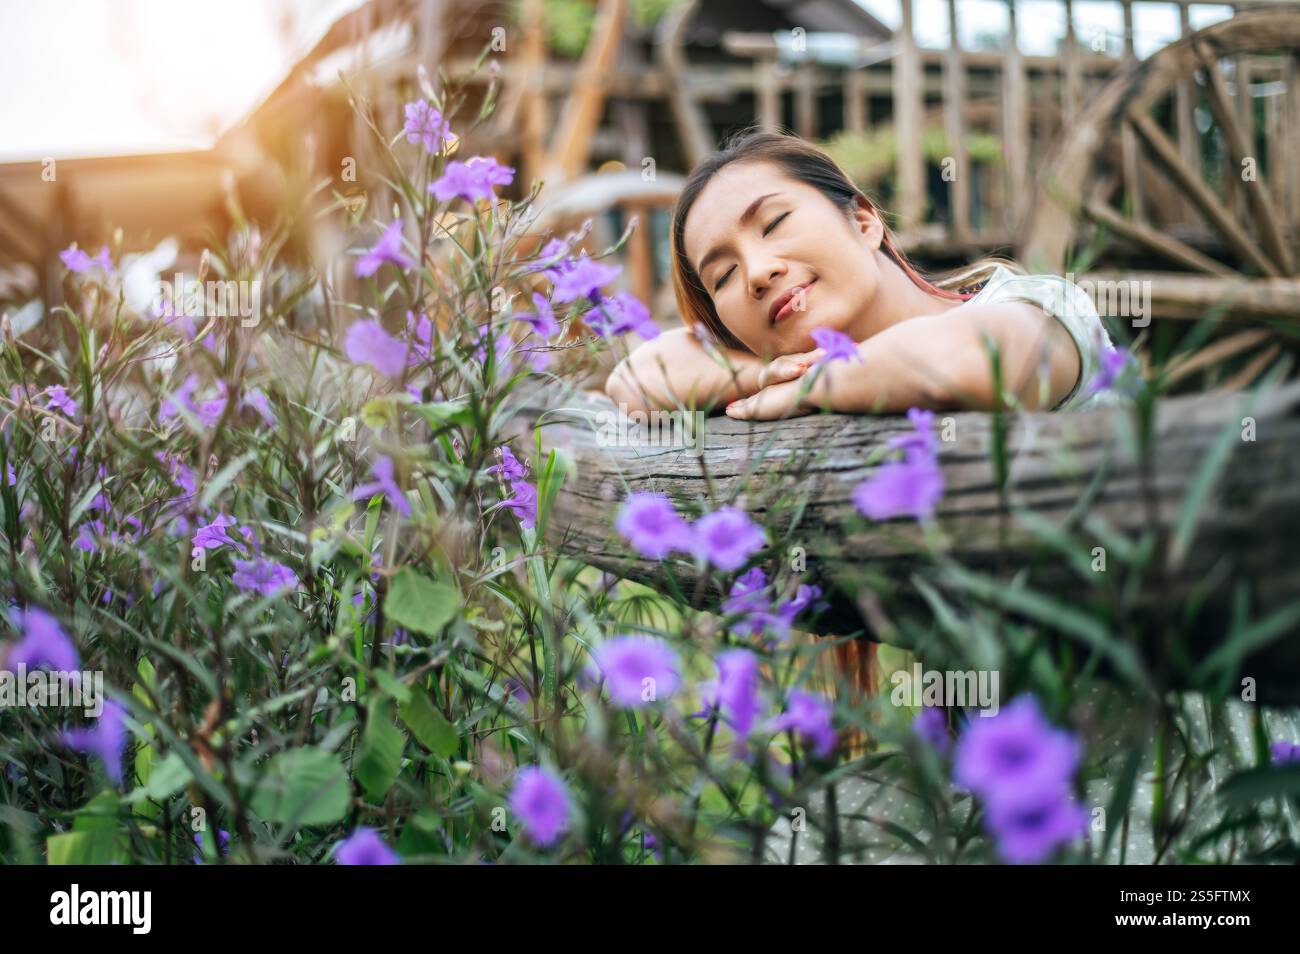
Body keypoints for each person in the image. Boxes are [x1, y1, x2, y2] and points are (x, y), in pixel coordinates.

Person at [605, 128, 1128, 421]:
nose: (758, 273)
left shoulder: (1039, 305)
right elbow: (634, 379)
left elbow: (976, 359)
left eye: (775, 222)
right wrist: (758, 376)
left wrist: (810, 385)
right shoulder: (787, 374)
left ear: (863, 220)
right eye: (722, 277)